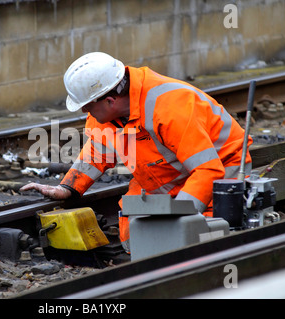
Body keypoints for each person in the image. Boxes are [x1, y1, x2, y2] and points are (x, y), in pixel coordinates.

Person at [20, 52, 252, 252]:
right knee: (134, 230)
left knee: (199, 237)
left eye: (87, 105)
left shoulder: (170, 107)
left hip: (220, 177)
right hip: (168, 174)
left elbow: (208, 170)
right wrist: (68, 188)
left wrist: (177, 219)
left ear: (110, 100)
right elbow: (99, 149)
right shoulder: (108, 114)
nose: (83, 110)